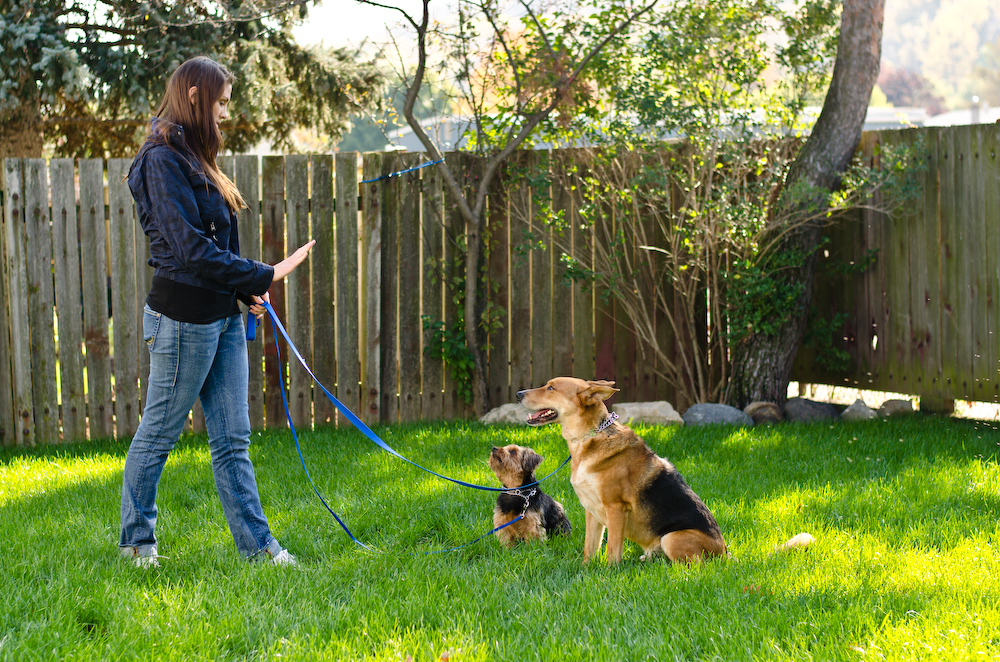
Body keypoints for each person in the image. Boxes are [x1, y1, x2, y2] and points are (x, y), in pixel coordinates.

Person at [119, 55, 314, 567]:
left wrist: (243, 293)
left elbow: (214, 243)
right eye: (221, 102)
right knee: (159, 434)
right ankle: (137, 543)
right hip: (181, 320)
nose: (226, 113)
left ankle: (258, 550)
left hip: (224, 317)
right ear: (194, 96)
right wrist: (265, 274)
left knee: (233, 440)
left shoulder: (193, 154)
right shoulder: (160, 158)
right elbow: (188, 249)